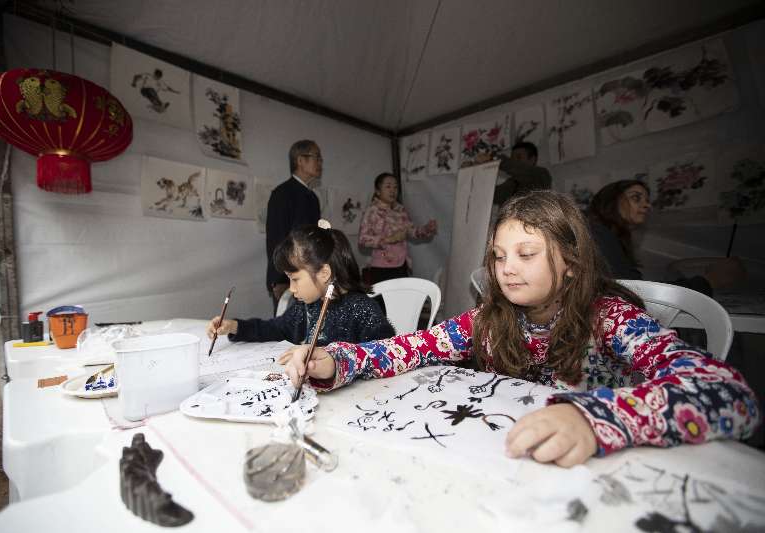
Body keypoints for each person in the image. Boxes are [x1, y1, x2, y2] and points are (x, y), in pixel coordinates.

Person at [280, 191, 759, 468]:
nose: (507, 269)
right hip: (512, 460)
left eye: (526, 255)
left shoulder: (608, 317)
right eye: (499, 256)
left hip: (604, 468)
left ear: (570, 263)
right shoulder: (489, 319)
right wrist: (339, 359)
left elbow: (728, 393)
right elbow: (412, 347)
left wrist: (594, 419)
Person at [209, 221, 395, 345]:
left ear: (324, 273)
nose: (291, 288)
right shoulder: (304, 306)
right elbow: (275, 328)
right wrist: (235, 326)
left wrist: (335, 361)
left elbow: (384, 355)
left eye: (295, 279)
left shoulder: (362, 309)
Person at [588, 180, 745, 296]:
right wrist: (708, 281)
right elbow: (632, 292)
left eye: (647, 200)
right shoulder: (597, 232)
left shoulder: (609, 237)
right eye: (636, 197)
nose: (647, 205)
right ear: (611, 200)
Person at [266, 140, 323, 312]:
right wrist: (280, 280)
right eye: (316, 157)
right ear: (300, 160)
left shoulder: (312, 197)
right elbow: (276, 239)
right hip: (288, 278)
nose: (320, 162)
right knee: (287, 334)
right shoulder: (282, 194)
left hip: (311, 276)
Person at [358, 172, 437, 284]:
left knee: (402, 300)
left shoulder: (400, 210)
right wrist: (389, 239)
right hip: (382, 267)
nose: (393, 190)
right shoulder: (372, 211)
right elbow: (363, 240)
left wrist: (426, 229)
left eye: (395, 187)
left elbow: (412, 231)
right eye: (388, 186)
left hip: (402, 264)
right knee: (383, 301)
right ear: (378, 191)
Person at [493, 141, 552, 207]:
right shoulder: (512, 182)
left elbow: (516, 167)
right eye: (512, 158)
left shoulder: (540, 174)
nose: (514, 161)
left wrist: (495, 159)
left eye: (518, 157)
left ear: (532, 159)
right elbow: (492, 195)